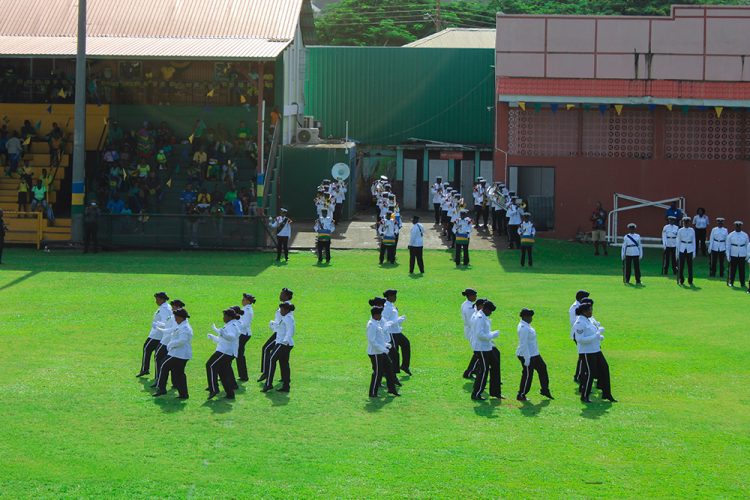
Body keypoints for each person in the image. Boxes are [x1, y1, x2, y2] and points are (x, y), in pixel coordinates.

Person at [573, 302, 616, 403]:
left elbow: (592, 333)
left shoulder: (588, 320)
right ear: (584, 311)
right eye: (590, 310)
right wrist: (596, 336)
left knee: (605, 368)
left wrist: (598, 337)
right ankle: (584, 396)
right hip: (587, 352)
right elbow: (580, 339)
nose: (591, 311)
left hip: (596, 350)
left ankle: (607, 394)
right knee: (589, 373)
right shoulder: (580, 323)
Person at [153, 308, 193, 399]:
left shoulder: (185, 328)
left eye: (176, 317)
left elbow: (182, 340)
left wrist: (171, 344)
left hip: (179, 354)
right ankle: (183, 394)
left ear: (181, 317)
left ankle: (161, 388)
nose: (174, 319)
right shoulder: (181, 325)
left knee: (163, 365)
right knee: (179, 373)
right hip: (177, 353)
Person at [516, 308, 553, 401]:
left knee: (543, 368)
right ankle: (521, 394)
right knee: (528, 374)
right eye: (529, 316)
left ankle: (544, 390)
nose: (531, 318)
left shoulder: (527, 325)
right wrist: (527, 358)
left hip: (534, 354)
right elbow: (523, 344)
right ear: (524, 317)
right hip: (526, 355)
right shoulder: (523, 328)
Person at [259, 288, 293, 382]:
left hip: (281, 334)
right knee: (283, 359)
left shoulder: (287, 306)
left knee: (266, 348)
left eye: (282, 294)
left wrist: (273, 324)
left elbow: (284, 321)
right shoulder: (285, 305)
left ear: (286, 296)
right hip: (279, 332)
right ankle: (284, 378)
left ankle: (266, 372)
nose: (280, 295)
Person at [470, 300, 501, 401]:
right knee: (483, 370)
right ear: (485, 309)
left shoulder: (482, 316)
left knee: (495, 365)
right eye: (490, 311)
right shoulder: (480, 318)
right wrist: (493, 335)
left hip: (487, 347)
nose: (491, 313)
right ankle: (476, 393)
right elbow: (480, 335)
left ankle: (495, 392)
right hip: (481, 348)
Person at [136, 292, 172, 378]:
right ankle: (154, 373)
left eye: (157, 299)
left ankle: (145, 369)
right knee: (156, 353)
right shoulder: (166, 307)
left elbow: (166, 322)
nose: (156, 301)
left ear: (162, 299)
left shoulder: (164, 309)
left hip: (157, 335)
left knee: (147, 348)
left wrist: (157, 325)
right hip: (159, 334)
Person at [206, 308, 240, 400]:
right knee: (222, 372)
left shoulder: (233, 325)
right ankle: (230, 393)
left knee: (210, 365)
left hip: (225, 352)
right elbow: (223, 339)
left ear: (229, 317)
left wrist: (222, 333)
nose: (223, 318)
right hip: (224, 350)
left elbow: (231, 337)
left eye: (224, 316)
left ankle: (214, 389)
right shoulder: (228, 325)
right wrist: (214, 337)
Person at [366, 305, 399, 398]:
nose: (381, 316)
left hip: (380, 351)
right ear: (375, 315)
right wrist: (383, 348)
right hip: (375, 353)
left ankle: (392, 389)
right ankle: (373, 392)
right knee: (378, 372)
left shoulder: (376, 323)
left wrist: (385, 344)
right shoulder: (371, 325)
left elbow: (379, 339)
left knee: (389, 367)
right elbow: (372, 341)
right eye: (380, 314)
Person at [262, 301, 295, 393]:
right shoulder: (285, 317)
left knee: (271, 359)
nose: (280, 311)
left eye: (282, 309)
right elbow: (279, 329)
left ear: (286, 310)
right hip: (282, 343)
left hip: (283, 344)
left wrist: (285, 340)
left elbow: (290, 331)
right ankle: (286, 385)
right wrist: (272, 324)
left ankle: (268, 384)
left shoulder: (288, 318)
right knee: (284, 364)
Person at [152, 299, 185, 388]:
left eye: (174, 307)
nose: (172, 308)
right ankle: (173, 383)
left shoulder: (177, 317)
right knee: (169, 364)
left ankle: (159, 380)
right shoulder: (174, 315)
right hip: (167, 341)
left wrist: (159, 328)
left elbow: (172, 329)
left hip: (166, 342)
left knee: (159, 360)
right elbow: (168, 325)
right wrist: (160, 324)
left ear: (178, 307)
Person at [383, 289, 410, 375]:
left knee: (406, 344)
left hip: (397, 331)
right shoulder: (386, 307)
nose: (396, 298)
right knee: (394, 352)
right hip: (391, 333)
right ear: (390, 296)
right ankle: (392, 372)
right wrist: (397, 320)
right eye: (394, 296)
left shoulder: (391, 305)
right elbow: (385, 321)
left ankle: (404, 366)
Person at [569, 289, 590, 383]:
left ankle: (582, 374)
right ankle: (578, 375)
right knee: (582, 355)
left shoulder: (581, 306)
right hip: (578, 333)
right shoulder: (574, 308)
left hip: (583, 333)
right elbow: (576, 322)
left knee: (584, 355)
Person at [460, 289, 479, 379]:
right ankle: (469, 372)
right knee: (478, 352)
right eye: (474, 295)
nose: (476, 297)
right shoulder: (469, 307)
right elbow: (471, 321)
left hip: (472, 330)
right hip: (472, 331)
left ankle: (475, 371)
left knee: (479, 352)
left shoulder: (467, 304)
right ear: (469, 296)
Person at [236, 293, 255, 381]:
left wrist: (235, 324)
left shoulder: (247, 310)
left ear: (248, 301)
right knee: (238, 354)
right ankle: (242, 375)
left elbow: (245, 324)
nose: (242, 301)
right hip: (242, 333)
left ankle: (244, 376)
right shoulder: (245, 309)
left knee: (239, 354)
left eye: (243, 300)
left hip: (244, 334)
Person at [726, 221, 749, 288]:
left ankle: (742, 283)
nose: (738, 227)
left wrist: (747, 255)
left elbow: (747, 245)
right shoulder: (730, 235)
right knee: (732, 270)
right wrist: (728, 255)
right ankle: (731, 282)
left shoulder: (745, 235)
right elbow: (728, 246)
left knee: (742, 270)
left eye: (739, 226)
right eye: (737, 226)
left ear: (741, 227)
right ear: (735, 226)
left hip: (742, 254)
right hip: (733, 254)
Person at [676, 216, 696, 286]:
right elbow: (678, 241)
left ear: (689, 223)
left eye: (687, 222)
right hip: (682, 248)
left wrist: (694, 252)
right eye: (685, 222)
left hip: (690, 248)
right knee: (681, 266)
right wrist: (677, 252)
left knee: (690, 266)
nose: (686, 224)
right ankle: (681, 279)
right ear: (683, 223)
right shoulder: (680, 230)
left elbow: (694, 241)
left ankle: (690, 280)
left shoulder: (692, 230)